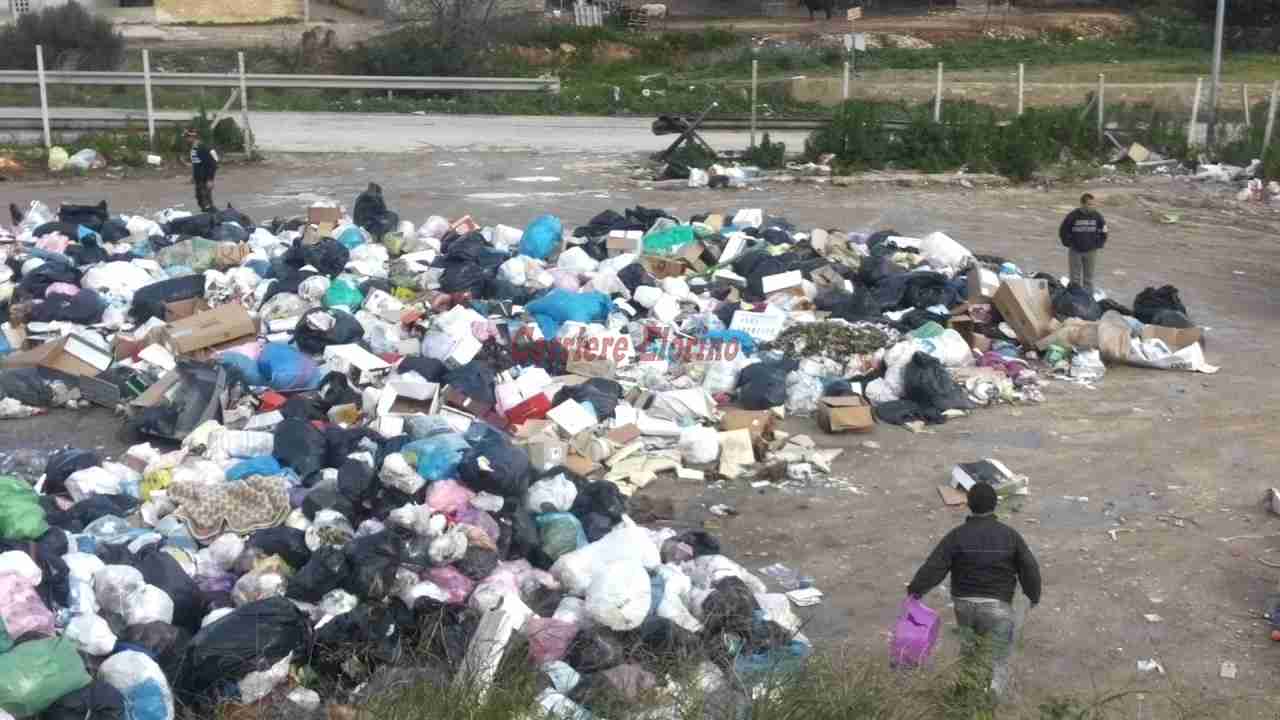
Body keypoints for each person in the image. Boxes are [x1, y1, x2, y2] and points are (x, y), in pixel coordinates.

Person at [906, 483, 1041, 700]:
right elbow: (1029, 567)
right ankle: (991, 702)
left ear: (969, 504)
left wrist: (916, 590)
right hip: (998, 606)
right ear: (995, 504)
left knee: (969, 652)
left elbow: (935, 566)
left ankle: (966, 696)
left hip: (964, 605)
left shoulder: (957, 536)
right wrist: (1033, 595)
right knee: (998, 657)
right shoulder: (1010, 536)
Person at [1058, 192, 1107, 291]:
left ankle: (1088, 298)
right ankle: (1075, 298)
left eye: (1093, 204)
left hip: (1091, 251)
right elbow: (1063, 231)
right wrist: (1069, 243)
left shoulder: (1097, 216)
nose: (1092, 206)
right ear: (1082, 204)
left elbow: (1104, 230)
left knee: (1089, 279)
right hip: (1075, 251)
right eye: (1089, 204)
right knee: (1075, 278)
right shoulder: (1072, 216)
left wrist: (1099, 244)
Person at [187, 129, 219, 213]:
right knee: (201, 199)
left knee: (206, 202)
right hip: (199, 179)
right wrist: (193, 176)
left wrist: (210, 179)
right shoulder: (194, 148)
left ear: (193, 137)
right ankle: (209, 218)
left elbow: (212, 164)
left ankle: (215, 218)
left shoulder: (202, 148)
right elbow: (196, 164)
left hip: (204, 179)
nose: (186, 139)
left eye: (187, 137)